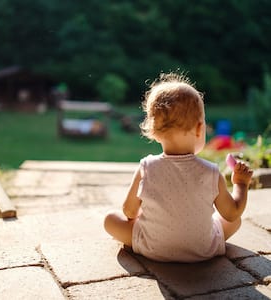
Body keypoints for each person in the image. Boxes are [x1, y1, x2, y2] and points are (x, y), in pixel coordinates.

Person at [104, 72, 253, 262]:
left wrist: (144, 211)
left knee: (111, 219)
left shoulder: (146, 167)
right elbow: (232, 214)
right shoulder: (211, 172)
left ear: (154, 132)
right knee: (235, 222)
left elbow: (129, 212)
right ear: (200, 129)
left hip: (153, 247)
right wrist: (241, 184)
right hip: (203, 249)